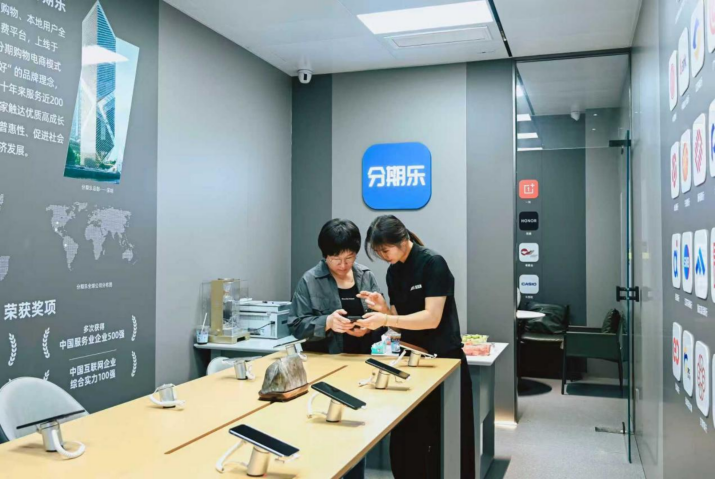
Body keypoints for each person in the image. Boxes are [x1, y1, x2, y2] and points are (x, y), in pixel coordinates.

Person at [356, 215, 476, 479]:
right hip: (410, 362)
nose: (383, 256)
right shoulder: (393, 271)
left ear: (402, 240)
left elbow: (431, 318)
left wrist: (386, 319)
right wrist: (383, 310)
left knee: (446, 438)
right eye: (378, 252)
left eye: (385, 250)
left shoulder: (433, 263)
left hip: (444, 361)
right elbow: (402, 325)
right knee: (406, 440)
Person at [288, 219, 385, 479]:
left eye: (349, 258)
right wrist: (328, 322)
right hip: (325, 370)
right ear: (325, 255)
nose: (343, 265)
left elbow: (383, 319)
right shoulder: (310, 280)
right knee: (324, 433)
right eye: (336, 259)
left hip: (361, 369)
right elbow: (296, 325)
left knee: (356, 433)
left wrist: (369, 327)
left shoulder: (366, 276)